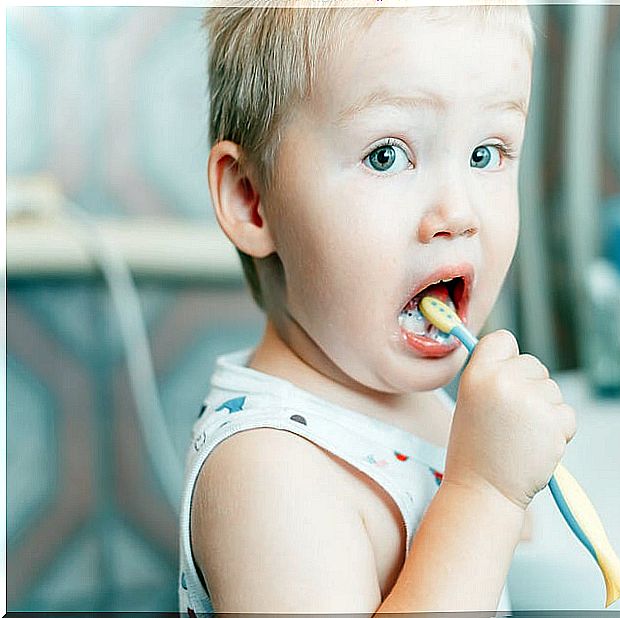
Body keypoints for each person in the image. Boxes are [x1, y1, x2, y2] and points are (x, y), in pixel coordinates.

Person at [178, 2, 578, 614]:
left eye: (486, 153)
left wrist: (505, 473)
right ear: (252, 198)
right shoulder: (268, 473)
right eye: (387, 155)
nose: (459, 214)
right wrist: (487, 491)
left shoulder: (420, 403)